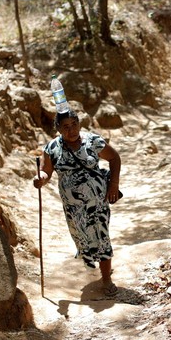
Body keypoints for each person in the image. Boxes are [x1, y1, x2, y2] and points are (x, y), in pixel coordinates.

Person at [33, 109, 121, 296]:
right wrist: (40, 177)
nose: (71, 130)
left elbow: (114, 158)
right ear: (58, 129)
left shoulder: (92, 141)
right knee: (82, 237)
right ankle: (99, 265)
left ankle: (106, 279)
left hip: (97, 202)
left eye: (74, 125)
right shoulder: (52, 149)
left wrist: (113, 185)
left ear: (79, 124)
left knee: (101, 235)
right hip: (73, 208)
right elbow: (46, 172)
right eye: (65, 127)